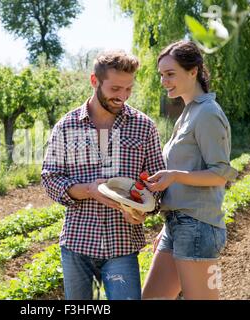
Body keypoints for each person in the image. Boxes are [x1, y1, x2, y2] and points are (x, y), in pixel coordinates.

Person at [41, 50, 165, 300]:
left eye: (128, 89)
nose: (122, 96)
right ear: (94, 81)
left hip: (122, 244)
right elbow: (50, 178)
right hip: (77, 245)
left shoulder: (144, 127)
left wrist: (146, 211)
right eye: (116, 88)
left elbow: (157, 184)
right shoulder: (67, 126)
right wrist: (89, 190)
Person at [141, 40, 238, 300]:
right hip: (176, 224)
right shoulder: (188, 113)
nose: (164, 80)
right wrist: (166, 226)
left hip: (198, 226)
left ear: (193, 71)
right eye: (161, 75)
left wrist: (174, 176)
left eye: (170, 74)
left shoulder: (207, 113)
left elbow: (220, 174)